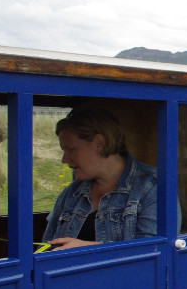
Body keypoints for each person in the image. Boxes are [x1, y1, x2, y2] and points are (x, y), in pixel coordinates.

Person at [42, 104, 158, 250]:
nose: (64, 159)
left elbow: (153, 254)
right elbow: (47, 246)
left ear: (99, 144)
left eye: (70, 149)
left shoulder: (152, 187)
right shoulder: (71, 192)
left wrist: (88, 249)